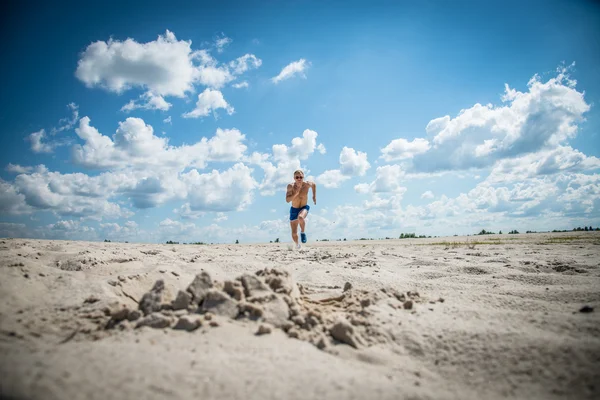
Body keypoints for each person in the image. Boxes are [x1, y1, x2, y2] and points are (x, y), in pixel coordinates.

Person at [286, 169, 316, 249]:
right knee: (294, 233)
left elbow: (314, 185)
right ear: (294, 178)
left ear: (303, 177)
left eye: (301, 177)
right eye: (297, 177)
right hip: (294, 209)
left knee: (301, 217)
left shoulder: (307, 184)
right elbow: (287, 200)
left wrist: (314, 196)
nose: (299, 179)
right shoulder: (290, 186)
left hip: (304, 207)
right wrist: (295, 194)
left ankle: (303, 232)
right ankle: (297, 245)